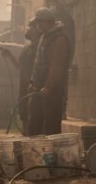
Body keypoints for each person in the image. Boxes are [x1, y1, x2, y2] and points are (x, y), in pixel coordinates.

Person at [26, 8, 72, 136]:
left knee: (51, 127)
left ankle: (52, 155)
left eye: (40, 22)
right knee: (34, 124)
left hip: (52, 91)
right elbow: (38, 64)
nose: (38, 25)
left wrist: (48, 87)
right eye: (37, 22)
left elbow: (56, 67)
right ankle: (34, 152)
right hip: (38, 88)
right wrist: (32, 83)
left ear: (48, 22)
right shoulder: (44, 37)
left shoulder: (59, 39)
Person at [18, 19, 42, 135]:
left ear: (37, 29)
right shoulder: (26, 48)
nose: (27, 29)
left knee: (32, 116)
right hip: (23, 87)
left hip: (32, 88)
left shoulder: (40, 48)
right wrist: (9, 56)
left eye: (30, 27)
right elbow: (20, 67)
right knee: (24, 115)